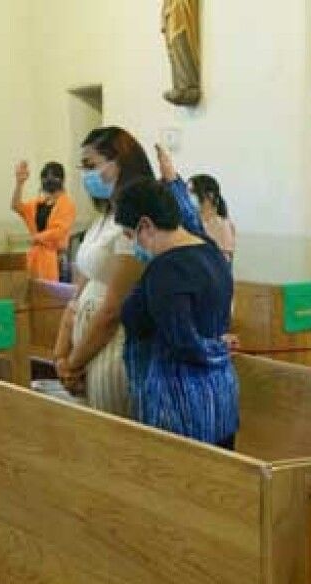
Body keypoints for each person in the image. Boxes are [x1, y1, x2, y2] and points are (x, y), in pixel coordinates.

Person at [54, 127, 202, 416]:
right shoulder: (104, 216)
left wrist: (73, 363)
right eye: (82, 167)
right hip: (84, 349)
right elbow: (79, 290)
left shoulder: (134, 221)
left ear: (120, 162)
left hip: (112, 348)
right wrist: (63, 353)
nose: (86, 175)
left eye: (91, 166)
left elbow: (112, 311)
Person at [116, 178, 238, 448]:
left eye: (129, 235)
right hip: (220, 397)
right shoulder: (210, 252)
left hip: (179, 409)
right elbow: (189, 218)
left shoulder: (166, 270)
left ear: (145, 225)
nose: (132, 245)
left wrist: (215, 347)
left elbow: (182, 341)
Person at [10, 161, 76, 281]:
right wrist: (19, 183)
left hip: (56, 259)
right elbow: (16, 206)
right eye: (45, 177)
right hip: (36, 258)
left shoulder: (67, 204)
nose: (48, 180)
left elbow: (59, 230)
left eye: (53, 177)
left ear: (61, 180)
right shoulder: (38, 204)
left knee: (53, 296)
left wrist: (37, 238)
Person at [188, 174, 236, 261]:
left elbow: (224, 262)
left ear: (210, 195)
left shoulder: (222, 225)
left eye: (192, 192)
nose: (189, 196)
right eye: (187, 192)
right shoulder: (192, 220)